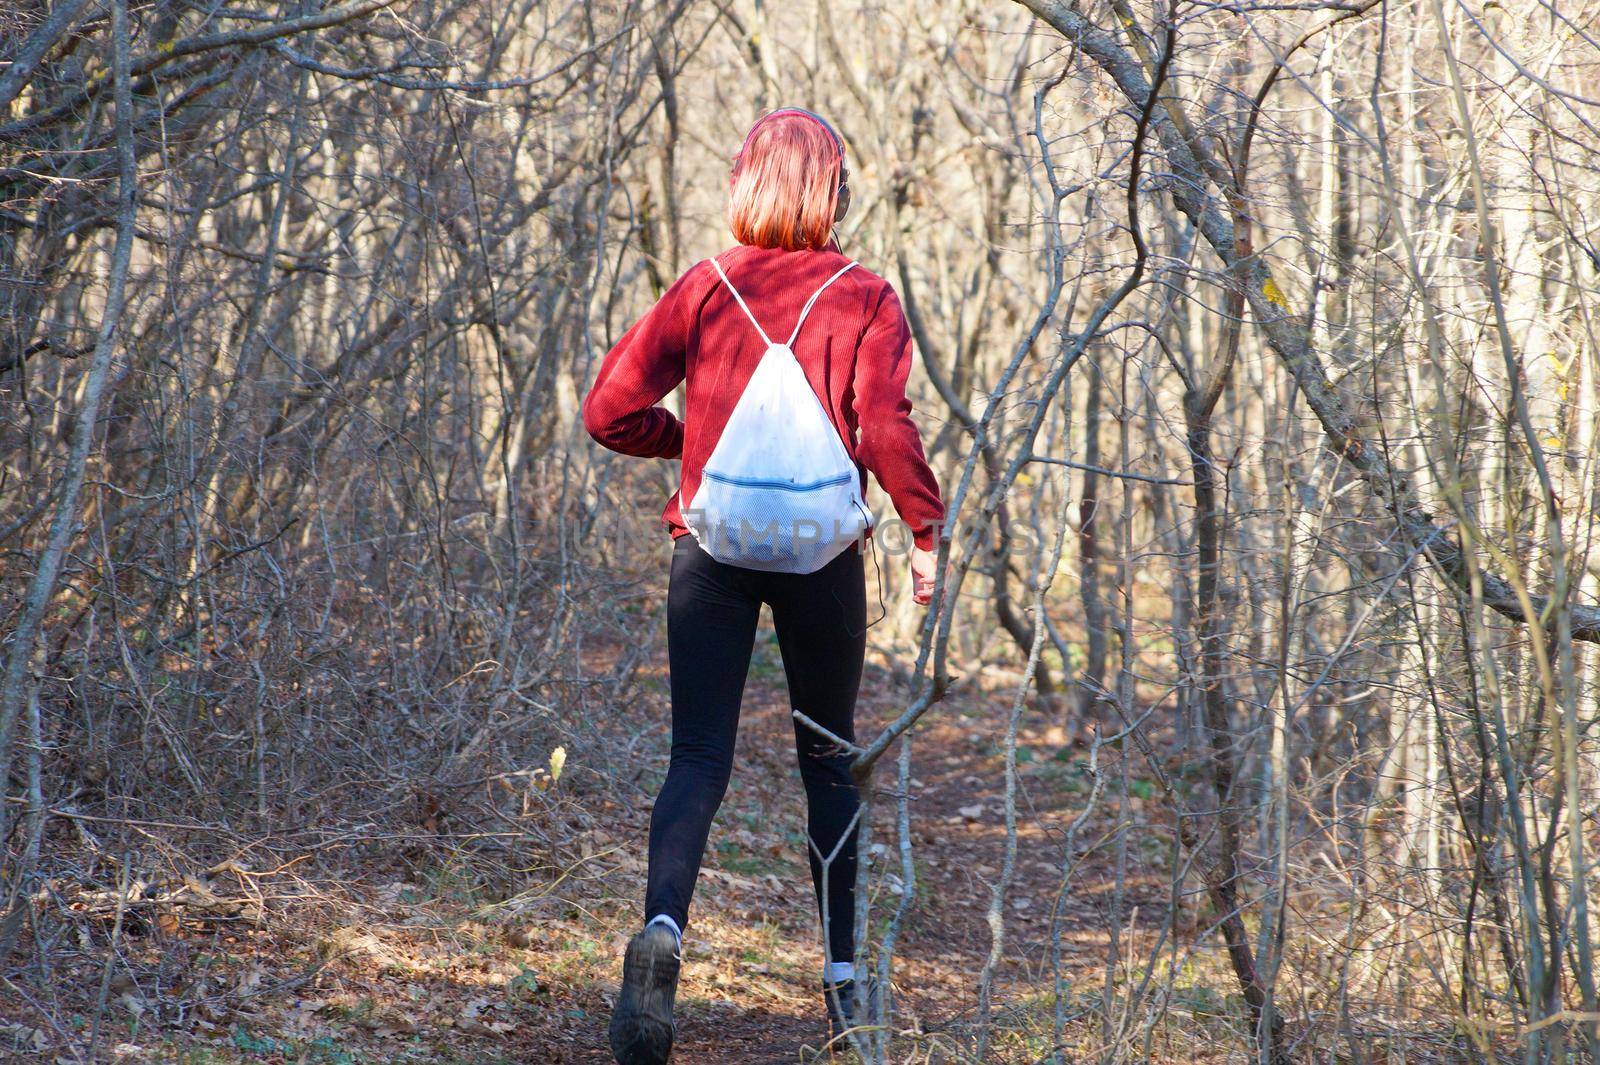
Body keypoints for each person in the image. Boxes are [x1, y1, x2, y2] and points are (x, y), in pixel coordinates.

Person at [582, 106, 944, 1064]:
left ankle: (662, 934)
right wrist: (924, 527)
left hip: (712, 547)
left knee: (697, 755)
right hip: (822, 557)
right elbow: (885, 429)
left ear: (747, 180)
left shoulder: (704, 288)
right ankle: (842, 988)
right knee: (830, 762)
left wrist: (687, 448)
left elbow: (608, 409)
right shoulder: (864, 293)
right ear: (833, 189)